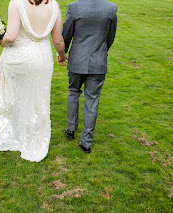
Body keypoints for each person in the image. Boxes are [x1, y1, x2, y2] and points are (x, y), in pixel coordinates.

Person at [0, 0, 67, 162]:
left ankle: (16, 135)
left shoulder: (16, 2)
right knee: (38, 100)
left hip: (18, 59)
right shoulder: (54, 5)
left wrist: (1, 41)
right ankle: (33, 140)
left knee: (16, 98)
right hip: (42, 59)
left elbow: (11, 37)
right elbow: (57, 40)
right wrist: (62, 56)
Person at [62, 0, 117, 154]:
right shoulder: (111, 8)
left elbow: (66, 34)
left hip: (77, 60)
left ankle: (71, 129)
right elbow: (110, 37)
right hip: (98, 61)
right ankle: (86, 141)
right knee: (92, 100)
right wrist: (101, 51)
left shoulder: (74, 7)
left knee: (73, 92)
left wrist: (63, 52)